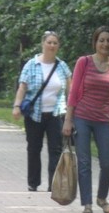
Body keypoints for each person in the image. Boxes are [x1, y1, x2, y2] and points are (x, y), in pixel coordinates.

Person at [62, 26, 109, 213]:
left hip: (103, 119)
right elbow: (74, 92)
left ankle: (102, 198)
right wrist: (68, 120)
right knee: (84, 162)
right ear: (95, 42)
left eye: (108, 40)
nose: (105, 44)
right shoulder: (83, 62)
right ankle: (87, 205)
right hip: (82, 117)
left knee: (108, 163)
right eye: (101, 40)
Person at [13, 31, 72, 192]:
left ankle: (53, 183)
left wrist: (71, 112)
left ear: (58, 46)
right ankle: (33, 182)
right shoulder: (31, 65)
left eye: (55, 43)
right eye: (49, 42)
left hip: (56, 113)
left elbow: (70, 90)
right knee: (33, 147)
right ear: (43, 44)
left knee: (56, 149)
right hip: (34, 114)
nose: (52, 46)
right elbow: (22, 87)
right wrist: (17, 106)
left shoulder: (62, 66)